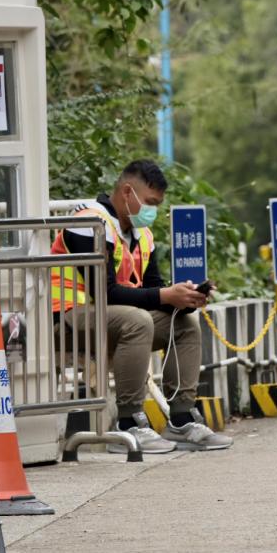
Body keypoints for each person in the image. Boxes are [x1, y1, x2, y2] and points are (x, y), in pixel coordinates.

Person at [51, 160, 233, 453]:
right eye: (149, 202)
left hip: (115, 318)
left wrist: (184, 300)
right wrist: (165, 296)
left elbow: (152, 289)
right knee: (139, 320)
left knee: (184, 324)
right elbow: (106, 292)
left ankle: (181, 420)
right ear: (127, 192)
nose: (153, 210)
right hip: (70, 320)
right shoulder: (88, 224)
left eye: (158, 204)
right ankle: (128, 423)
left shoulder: (142, 236)